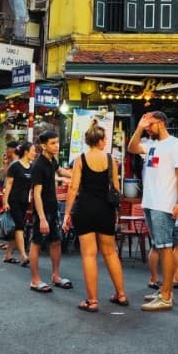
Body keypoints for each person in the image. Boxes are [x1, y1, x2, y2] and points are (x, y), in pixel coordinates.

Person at [62, 121, 128, 312]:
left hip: (85, 209)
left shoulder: (80, 160)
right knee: (110, 253)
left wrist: (67, 212)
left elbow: (73, 187)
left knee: (89, 255)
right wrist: (116, 213)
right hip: (105, 209)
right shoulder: (111, 161)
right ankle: (121, 294)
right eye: (105, 138)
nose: (106, 141)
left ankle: (92, 301)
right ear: (99, 140)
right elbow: (116, 189)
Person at [127, 110, 178, 312]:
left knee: (165, 246)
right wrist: (140, 127)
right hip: (150, 202)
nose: (148, 128)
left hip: (164, 203)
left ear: (161, 123)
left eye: (150, 124)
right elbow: (132, 147)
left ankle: (166, 295)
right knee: (161, 246)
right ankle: (164, 289)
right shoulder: (151, 144)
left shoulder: (175, 145)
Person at [28, 130, 72, 293]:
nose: (56, 146)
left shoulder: (52, 160)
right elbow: (36, 194)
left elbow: (61, 171)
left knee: (56, 242)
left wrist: (77, 174)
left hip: (53, 208)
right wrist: (42, 218)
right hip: (42, 211)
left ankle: (56, 276)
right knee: (36, 243)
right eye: (53, 143)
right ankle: (35, 280)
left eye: (57, 142)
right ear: (43, 145)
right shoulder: (38, 166)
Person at [2, 141, 35, 265]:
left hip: (24, 201)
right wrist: (5, 201)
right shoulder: (15, 166)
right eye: (33, 150)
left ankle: (8, 255)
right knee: (20, 226)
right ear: (26, 152)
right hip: (13, 200)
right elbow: (9, 184)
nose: (35, 153)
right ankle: (23, 256)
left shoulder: (32, 167)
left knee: (17, 228)